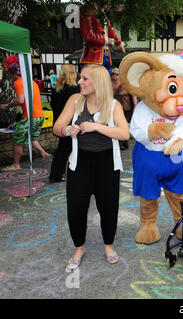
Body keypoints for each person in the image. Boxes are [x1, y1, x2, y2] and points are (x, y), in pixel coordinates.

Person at [53, 64, 129, 269]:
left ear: (98, 82)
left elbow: (124, 134)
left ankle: (108, 245)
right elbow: (56, 128)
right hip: (80, 164)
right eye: (80, 78)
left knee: (108, 208)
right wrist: (68, 130)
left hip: (107, 164)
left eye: (85, 79)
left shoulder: (113, 106)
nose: (80, 82)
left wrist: (96, 126)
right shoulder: (74, 101)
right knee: (76, 208)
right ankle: (79, 247)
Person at [1, 55, 49, 171]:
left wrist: (6, 105)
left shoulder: (19, 82)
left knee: (18, 140)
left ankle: (16, 165)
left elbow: (20, 100)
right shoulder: (31, 81)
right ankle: (44, 153)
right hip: (39, 116)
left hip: (30, 117)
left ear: (12, 71)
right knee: (32, 137)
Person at [49, 64, 80, 182]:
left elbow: (53, 105)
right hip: (71, 123)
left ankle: (56, 173)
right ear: (73, 74)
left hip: (59, 122)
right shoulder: (75, 90)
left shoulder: (56, 89)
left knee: (63, 148)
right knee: (68, 148)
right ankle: (57, 174)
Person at [111, 67, 137, 150]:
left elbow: (133, 95)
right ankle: (122, 142)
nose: (115, 75)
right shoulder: (109, 84)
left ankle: (122, 143)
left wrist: (135, 105)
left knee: (123, 125)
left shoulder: (126, 84)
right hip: (114, 108)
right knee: (116, 125)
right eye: (113, 74)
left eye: (117, 74)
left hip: (126, 108)